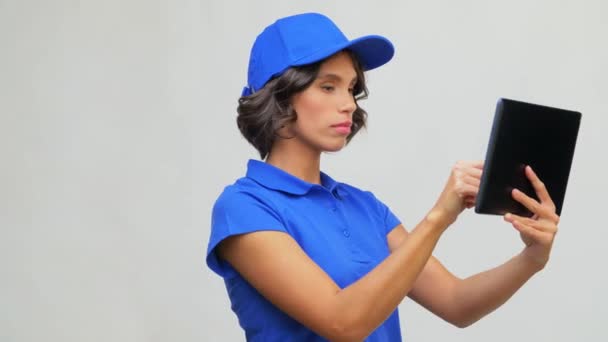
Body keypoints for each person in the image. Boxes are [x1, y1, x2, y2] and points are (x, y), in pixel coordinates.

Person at [206, 12, 559, 342]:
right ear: (279, 95)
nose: (349, 104)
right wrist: (439, 218)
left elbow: (456, 302)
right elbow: (342, 322)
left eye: (351, 88)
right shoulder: (244, 207)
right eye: (328, 87)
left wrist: (532, 259)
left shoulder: (366, 208)